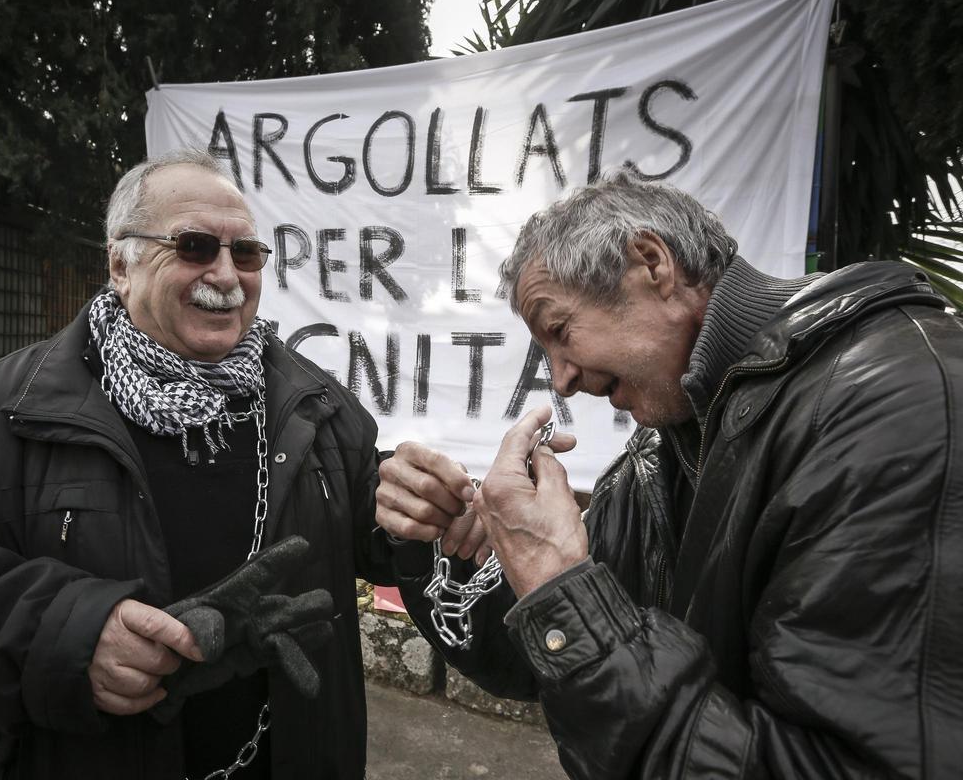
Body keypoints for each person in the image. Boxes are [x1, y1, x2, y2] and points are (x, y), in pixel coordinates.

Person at [0, 149, 406, 780]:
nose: (226, 275)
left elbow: (370, 528)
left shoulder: (317, 403)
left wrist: (408, 511)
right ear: (120, 265)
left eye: (246, 253)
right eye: (194, 246)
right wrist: (66, 637)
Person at [376, 171, 963, 778]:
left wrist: (557, 582)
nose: (562, 380)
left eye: (560, 332)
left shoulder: (900, 406)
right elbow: (543, 659)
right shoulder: (667, 450)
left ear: (653, 265)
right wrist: (444, 536)